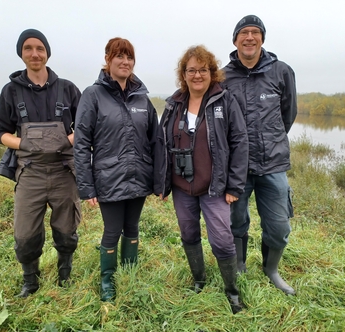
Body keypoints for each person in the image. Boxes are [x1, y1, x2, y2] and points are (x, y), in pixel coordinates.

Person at [157, 45, 248, 314]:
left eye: (203, 70)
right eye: (191, 70)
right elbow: (161, 144)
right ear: (183, 74)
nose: (197, 75)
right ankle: (199, 280)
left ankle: (231, 291)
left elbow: (240, 143)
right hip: (181, 186)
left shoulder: (225, 100)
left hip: (215, 187)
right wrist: (162, 184)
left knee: (221, 238)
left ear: (212, 73)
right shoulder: (174, 103)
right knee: (188, 232)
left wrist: (234, 185)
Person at [0, 29, 82, 297]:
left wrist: (68, 139)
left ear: (47, 53)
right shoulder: (10, 91)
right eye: (28, 48)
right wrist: (23, 143)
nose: (35, 54)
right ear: (22, 53)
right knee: (25, 233)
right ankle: (30, 281)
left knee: (66, 229)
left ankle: (64, 273)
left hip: (64, 171)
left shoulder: (67, 89)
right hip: (29, 172)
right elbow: (0, 131)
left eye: (40, 48)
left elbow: (85, 125)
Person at [73, 37, 160, 302]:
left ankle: (130, 271)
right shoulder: (93, 95)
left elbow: (155, 140)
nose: (125, 62)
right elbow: (82, 143)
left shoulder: (142, 98)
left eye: (129, 57)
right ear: (108, 60)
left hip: (139, 178)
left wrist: (158, 181)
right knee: (112, 231)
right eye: (119, 56)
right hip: (108, 180)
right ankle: (107, 280)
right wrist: (86, 186)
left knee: (132, 228)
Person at [223, 15, 297, 295]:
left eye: (255, 32)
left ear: (262, 38)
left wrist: (272, 140)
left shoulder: (281, 71)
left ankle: (271, 270)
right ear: (235, 40)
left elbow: (288, 115)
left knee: (278, 225)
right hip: (236, 167)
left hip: (273, 165)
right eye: (244, 33)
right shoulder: (223, 76)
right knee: (236, 221)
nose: (250, 37)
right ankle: (240, 264)